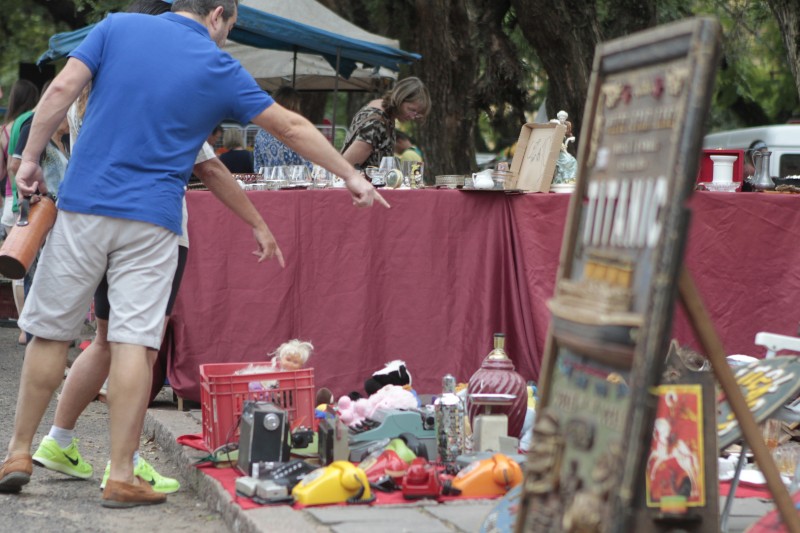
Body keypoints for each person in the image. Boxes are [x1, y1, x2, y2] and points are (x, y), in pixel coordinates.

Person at [0, 0, 387, 510]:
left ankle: (18, 454)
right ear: (217, 14)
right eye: (230, 26)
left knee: (51, 331)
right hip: (154, 219)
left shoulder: (116, 28)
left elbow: (60, 89)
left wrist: (29, 160)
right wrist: (351, 176)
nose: (227, 37)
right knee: (134, 341)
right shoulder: (219, 66)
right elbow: (290, 128)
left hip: (85, 205)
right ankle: (120, 474)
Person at [0, 80, 39, 345]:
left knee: (18, 264)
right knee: (30, 263)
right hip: (28, 201)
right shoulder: (33, 121)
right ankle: (30, 326)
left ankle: (24, 325)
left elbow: (5, 169)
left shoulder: (6, 130)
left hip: (10, 198)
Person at [341, 77, 430, 170]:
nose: (412, 117)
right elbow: (346, 166)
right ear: (400, 98)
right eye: (411, 110)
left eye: (417, 113)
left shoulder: (381, 110)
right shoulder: (377, 122)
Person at [253, 87, 312, 171]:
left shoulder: (261, 134)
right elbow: (307, 168)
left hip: (268, 182)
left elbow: (257, 167)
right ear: (293, 107)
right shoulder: (294, 132)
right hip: (294, 182)